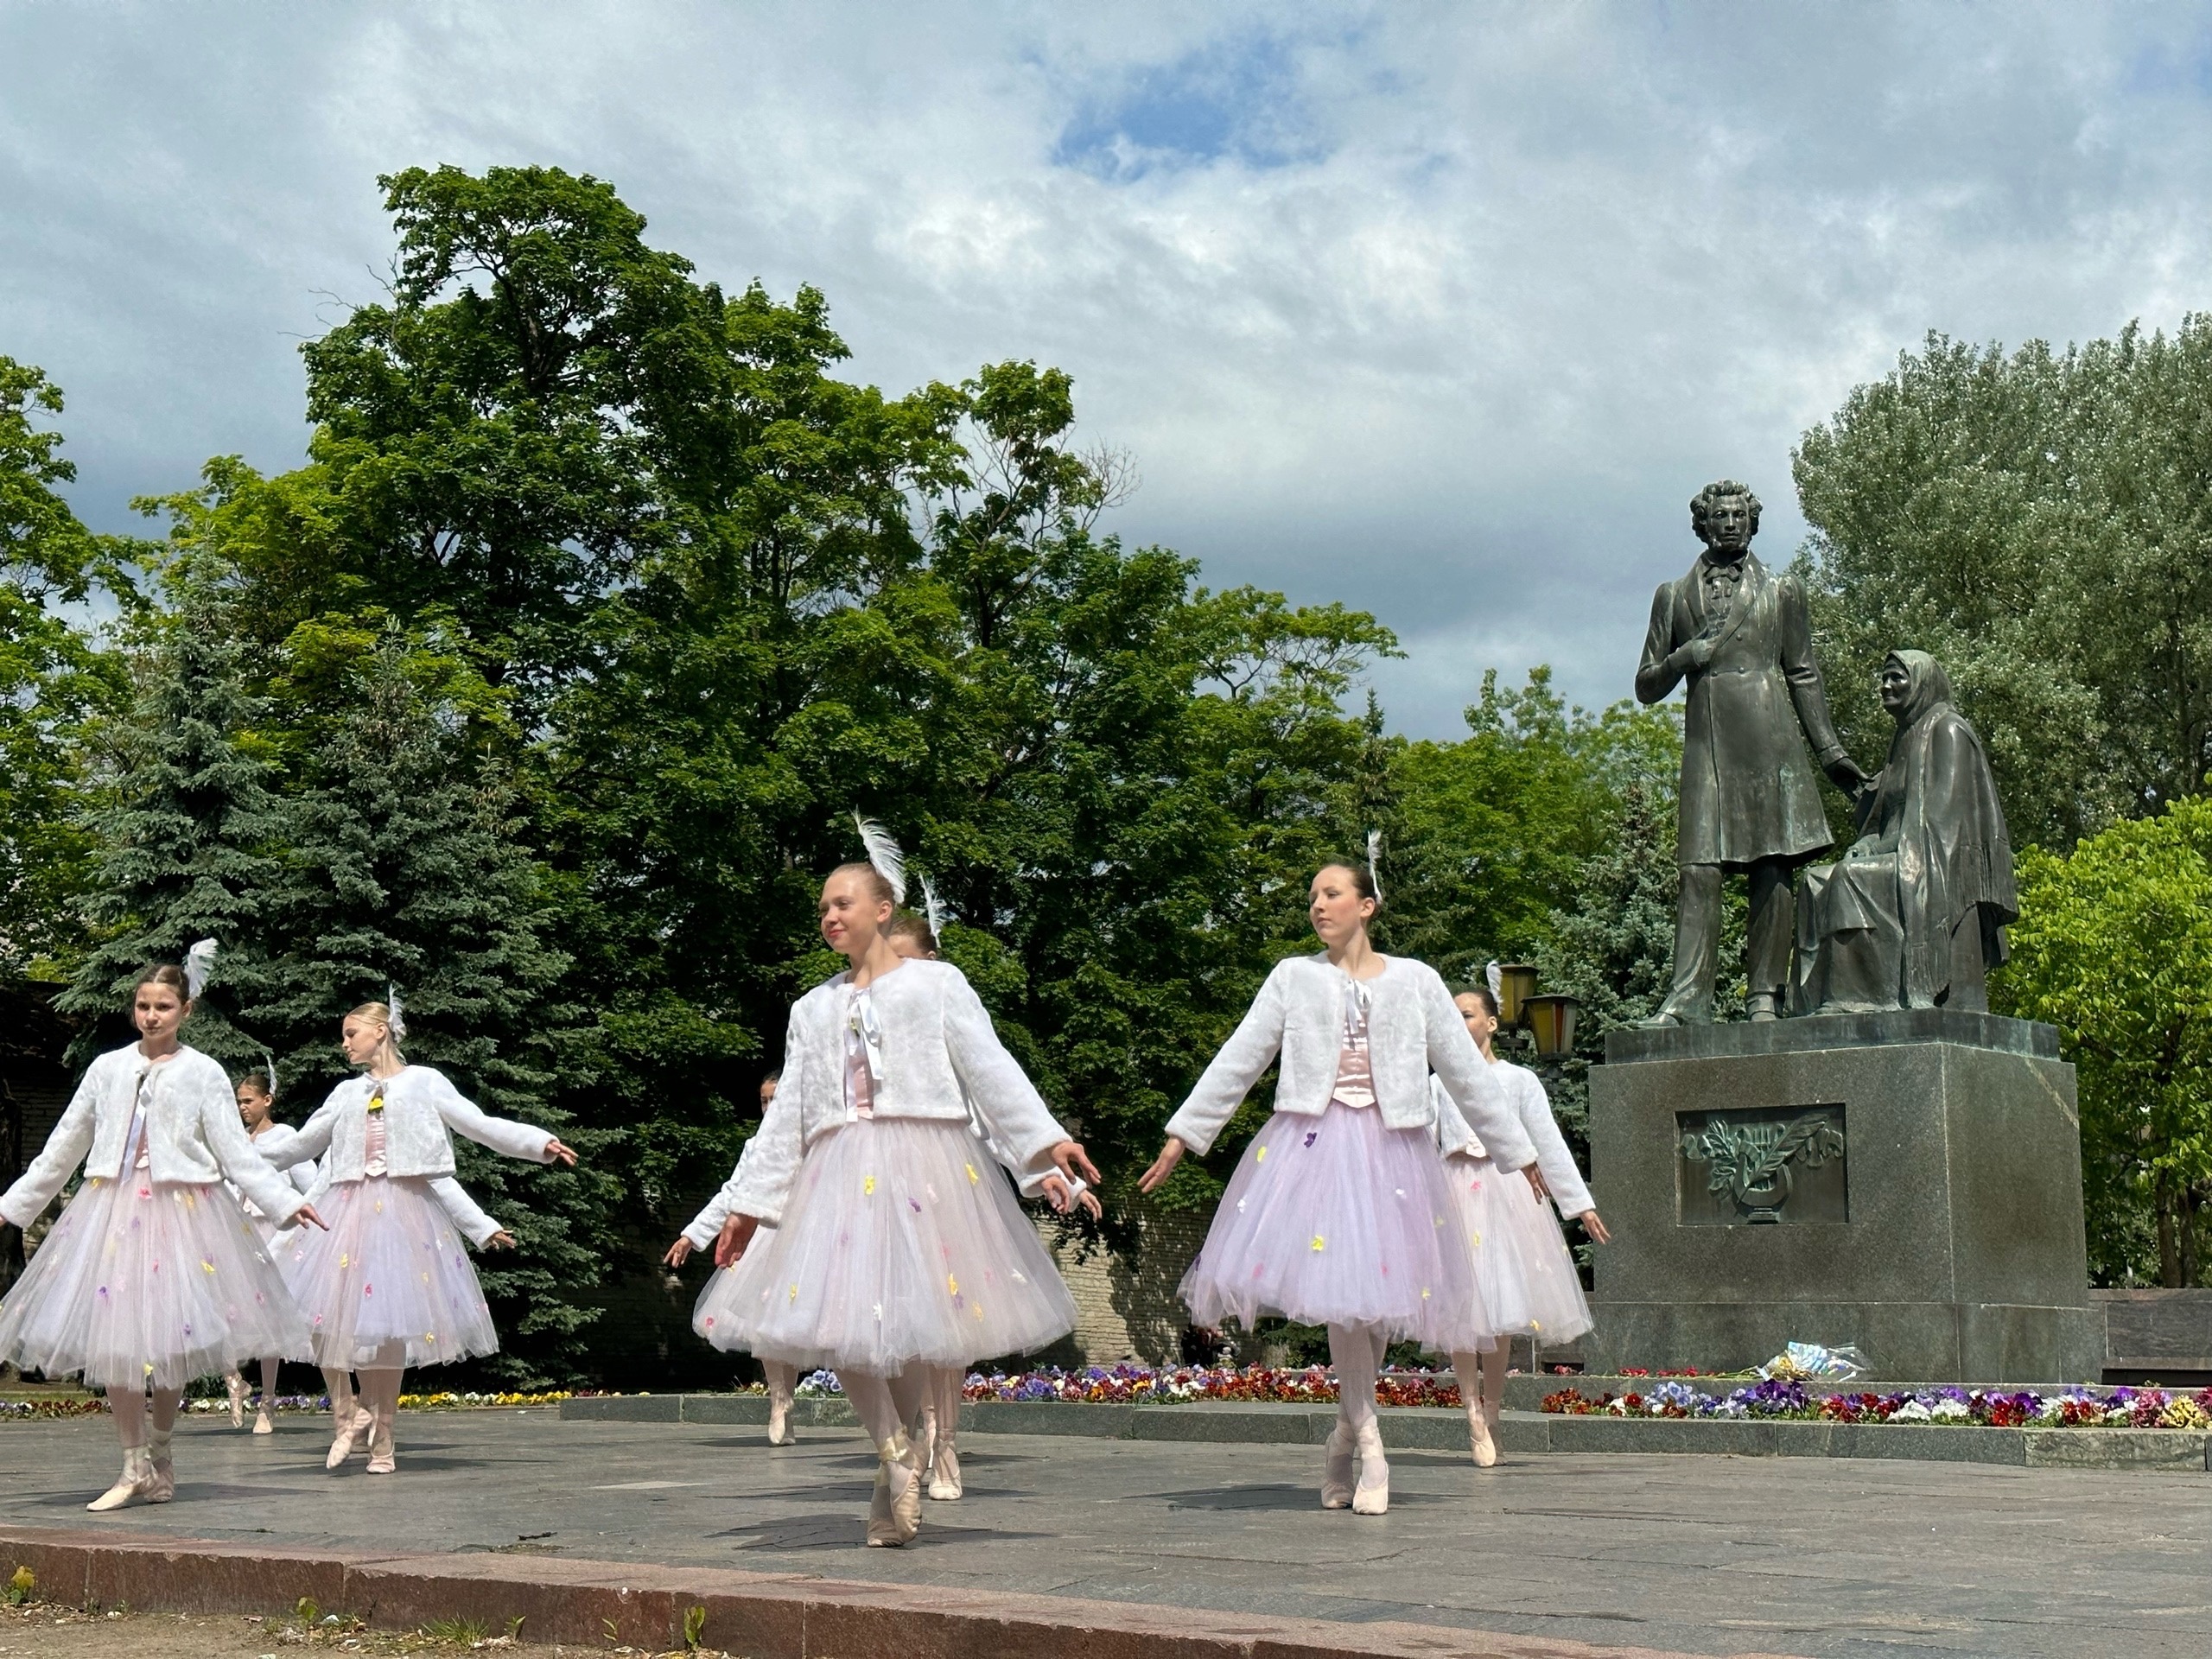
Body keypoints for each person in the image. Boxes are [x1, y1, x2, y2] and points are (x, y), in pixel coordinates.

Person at [702, 840, 1097, 1547]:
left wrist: (1044, 1142)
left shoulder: (936, 986)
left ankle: (910, 1459)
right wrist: (748, 1209)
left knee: (915, 1331)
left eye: (842, 902)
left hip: (926, 1166)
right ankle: (894, 1454)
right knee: (839, 1324)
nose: (829, 915)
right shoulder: (809, 1009)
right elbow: (789, 1111)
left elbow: (988, 1067)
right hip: (837, 1173)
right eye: (822, 906)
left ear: (883, 911)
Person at [1138, 859, 1541, 1516]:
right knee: (1344, 1306)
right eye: (1312, 897)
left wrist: (1517, 1153)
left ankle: (1341, 1434)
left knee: (1373, 1310)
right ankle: (1372, 1445)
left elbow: (1465, 1072)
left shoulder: (1416, 981)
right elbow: (1243, 1054)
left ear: (1367, 906)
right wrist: (1185, 1134)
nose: (1318, 906)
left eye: (1332, 894)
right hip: (1313, 1150)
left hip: (1395, 1154)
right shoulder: (1294, 977)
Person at [0, 960, 325, 1511]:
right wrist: (11, 1207)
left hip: (184, 1211)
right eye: (144, 1006)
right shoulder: (106, 1069)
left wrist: (287, 1201)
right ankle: (131, 1465)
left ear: (185, 1011)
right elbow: (65, 1145)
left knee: (172, 1339)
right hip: (113, 1210)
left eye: (163, 1007)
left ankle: (161, 1453)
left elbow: (236, 1153)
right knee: (118, 1342)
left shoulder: (203, 1072)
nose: (151, 1016)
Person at [268, 996, 575, 1474]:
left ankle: (383, 1438)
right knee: (323, 1313)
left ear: (381, 1032)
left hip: (402, 1214)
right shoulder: (346, 1093)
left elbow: (478, 1124)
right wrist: (224, 1160)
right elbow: (299, 1145)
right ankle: (349, 1409)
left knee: (389, 1328)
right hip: (345, 1211)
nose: (344, 1043)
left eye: (352, 1034)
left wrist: (536, 1142)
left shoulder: (423, 1083)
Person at [1636, 480, 1864, 1024]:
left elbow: (1803, 671)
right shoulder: (1673, 595)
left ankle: (1765, 996)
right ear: (1703, 524)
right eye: (1721, 515)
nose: (1732, 523)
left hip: (1771, 741)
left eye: (1740, 514)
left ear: (1752, 522)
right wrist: (1684, 656)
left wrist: (1829, 751)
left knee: (1771, 868)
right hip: (1707, 745)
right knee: (1699, 871)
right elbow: (1646, 684)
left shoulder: (1782, 590)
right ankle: (1687, 1001)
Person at [1434, 980, 1608, 1467]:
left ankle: (1492, 1411)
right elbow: (1418, 1144)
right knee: (1460, 1311)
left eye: (1467, 1014)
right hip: (1452, 1195)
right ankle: (1470, 1411)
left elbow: (1546, 1141)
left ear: (1491, 1022)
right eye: (1451, 1016)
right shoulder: (1436, 1083)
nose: (1458, 1023)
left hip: (1505, 1192)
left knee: (1502, 1306)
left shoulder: (1518, 1080)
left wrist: (1579, 1203)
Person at [1793, 650, 2018, 1015]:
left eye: (1897, 678)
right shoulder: (1903, 739)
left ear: (1922, 682)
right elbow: (1884, 817)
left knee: (1849, 878)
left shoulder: (1948, 730)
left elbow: (1945, 818)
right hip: (1898, 852)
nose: (1886, 686)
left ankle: (1850, 1001)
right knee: (1814, 882)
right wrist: (1868, 842)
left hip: (1934, 860)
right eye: (1884, 678)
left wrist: (1882, 847)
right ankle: (1818, 1000)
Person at [668, 1071, 801, 1446]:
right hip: (765, 1242)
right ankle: (780, 1401)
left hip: (804, 1240)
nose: (770, 1108)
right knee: (762, 1326)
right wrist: (692, 1236)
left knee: (793, 1328)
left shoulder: (814, 1138)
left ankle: (788, 1397)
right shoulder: (756, 1146)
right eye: (765, 1101)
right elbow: (733, 1195)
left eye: (778, 1100)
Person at [219, 1066, 320, 1434]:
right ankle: (234, 1378)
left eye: (248, 1101)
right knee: (223, 1309)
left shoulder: (285, 1137)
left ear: (267, 1100)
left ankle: (267, 1403)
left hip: (274, 1233)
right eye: (238, 1102)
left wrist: (297, 1218)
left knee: (269, 1320)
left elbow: (310, 1186)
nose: (242, 1108)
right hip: (241, 1233)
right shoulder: (238, 1140)